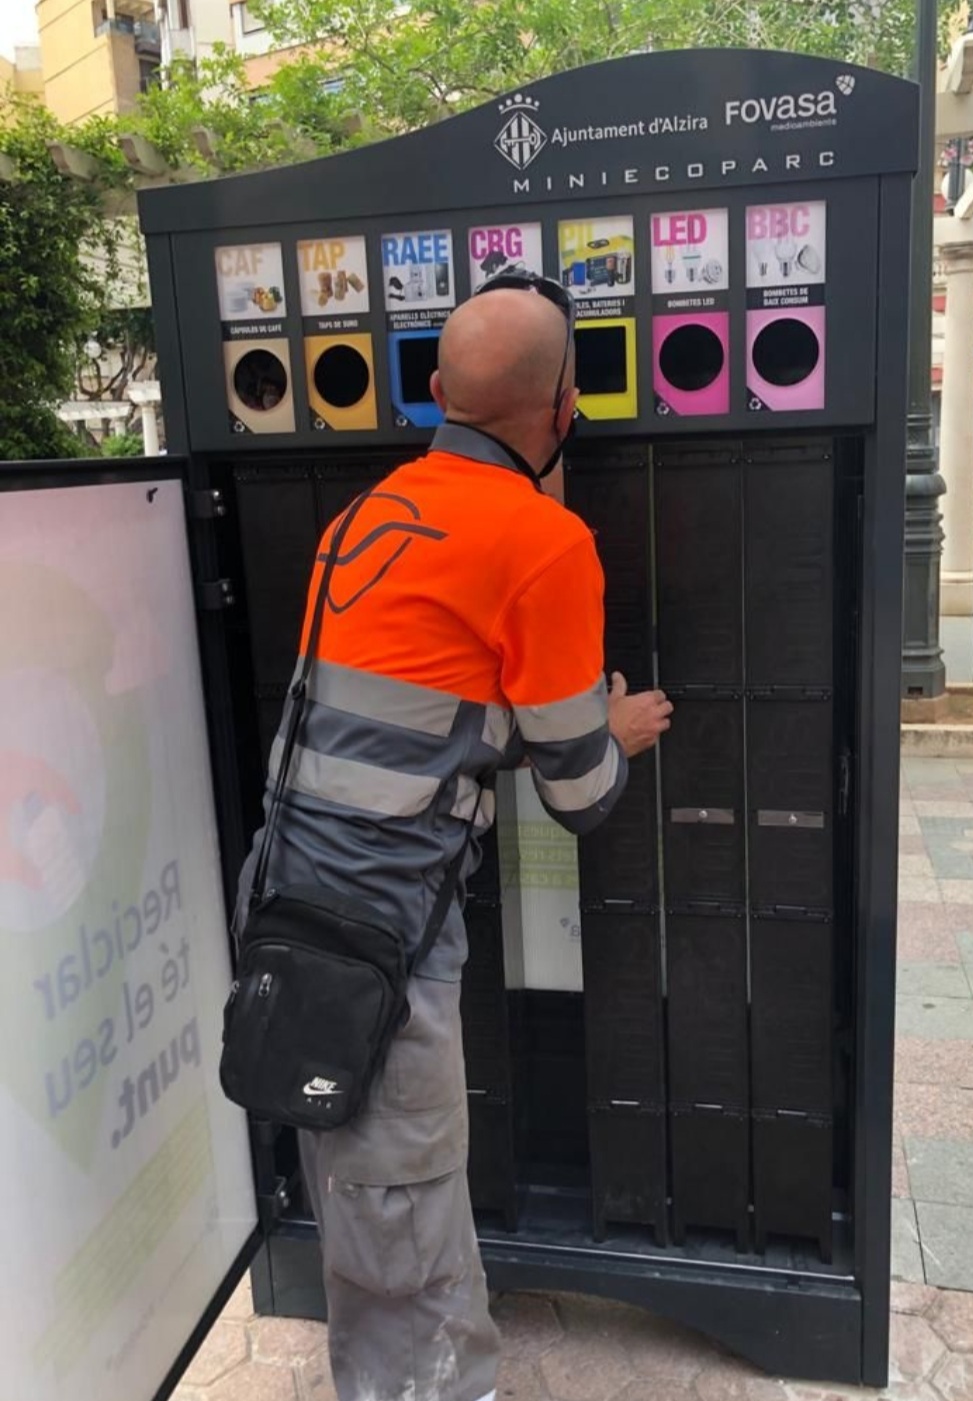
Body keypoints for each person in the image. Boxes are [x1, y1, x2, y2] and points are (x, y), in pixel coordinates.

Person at [234, 274, 673, 1401]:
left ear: (434, 392)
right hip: (378, 946)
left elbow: (427, 728)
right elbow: (583, 795)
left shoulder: (365, 517)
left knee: (365, 1197)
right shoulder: (546, 546)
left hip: (287, 910)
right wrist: (613, 731)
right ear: (568, 406)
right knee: (403, 1219)